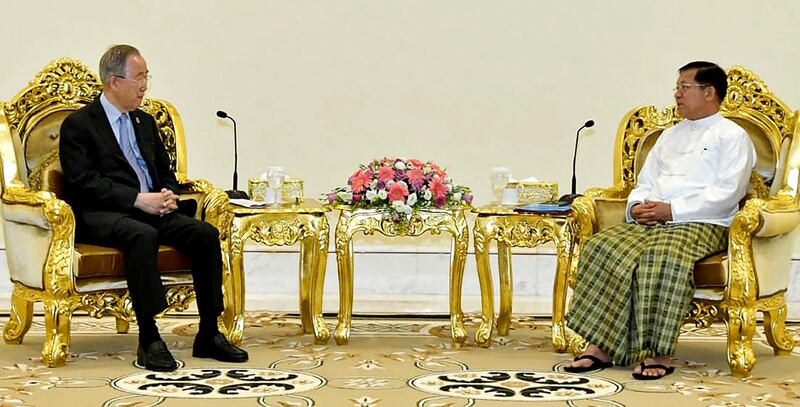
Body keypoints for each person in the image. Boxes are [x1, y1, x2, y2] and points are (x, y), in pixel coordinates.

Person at [59, 45, 248, 371]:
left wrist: (168, 194)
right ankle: (149, 338)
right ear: (114, 81)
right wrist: (136, 199)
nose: (145, 86)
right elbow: (83, 182)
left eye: (147, 77)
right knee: (141, 235)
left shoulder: (144, 121)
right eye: (140, 78)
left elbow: (165, 171)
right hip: (103, 213)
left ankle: (208, 332)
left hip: (151, 208)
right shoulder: (79, 125)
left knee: (204, 234)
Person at [564, 61, 756, 380]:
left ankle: (657, 351)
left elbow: (728, 191)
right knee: (602, 247)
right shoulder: (668, 135)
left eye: (684, 87)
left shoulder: (733, 136)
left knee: (662, 257)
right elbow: (645, 180)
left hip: (704, 222)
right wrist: (638, 205)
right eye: (677, 87)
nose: (677, 94)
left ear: (709, 93)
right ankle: (601, 344)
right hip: (654, 219)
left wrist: (673, 210)